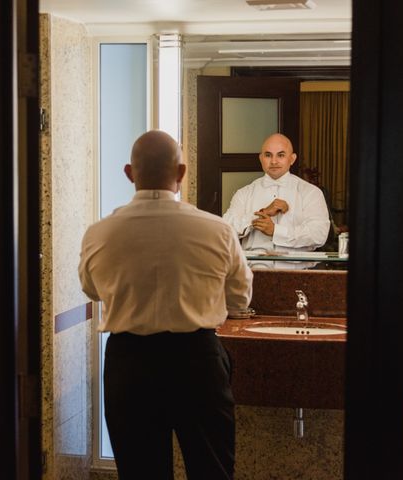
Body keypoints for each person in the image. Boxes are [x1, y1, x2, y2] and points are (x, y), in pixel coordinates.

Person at [79, 130, 253, 480]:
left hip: (129, 363)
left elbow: (92, 290)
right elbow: (240, 298)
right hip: (197, 361)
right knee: (212, 470)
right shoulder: (216, 230)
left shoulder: (100, 233)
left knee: (141, 473)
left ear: (129, 173)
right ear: (182, 172)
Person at [222, 133, 330, 269]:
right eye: (268, 155)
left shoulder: (311, 193)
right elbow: (225, 231)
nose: (273, 161)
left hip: (298, 274)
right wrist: (262, 213)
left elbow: (318, 234)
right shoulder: (244, 193)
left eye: (281, 155)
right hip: (253, 275)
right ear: (261, 158)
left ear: (292, 159)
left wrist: (276, 231)